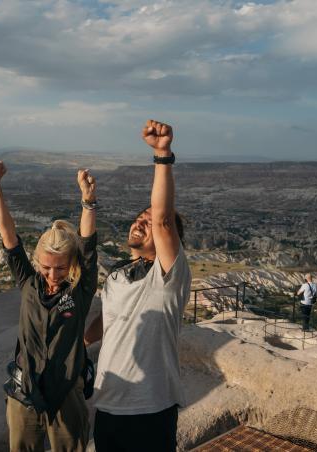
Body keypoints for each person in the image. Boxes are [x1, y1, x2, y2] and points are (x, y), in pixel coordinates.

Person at [84, 119, 191, 452]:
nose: (140, 222)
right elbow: (108, 318)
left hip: (150, 406)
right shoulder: (118, 275)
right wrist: (78, 344)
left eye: (149, 222)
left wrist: (162, 155)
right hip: (108, 403)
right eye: (138, 217)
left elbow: (161, 218)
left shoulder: (168, 276)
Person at [0, 161, 98, 452]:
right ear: (38, 262)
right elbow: (8, 235)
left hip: (65, 392)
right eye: (47, 268)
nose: (52, 275)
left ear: (70, 265)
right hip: (25, 390)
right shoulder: (28, 282)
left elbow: (87, 246)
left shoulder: (80, 291)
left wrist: (88, 201)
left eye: (60, 268)